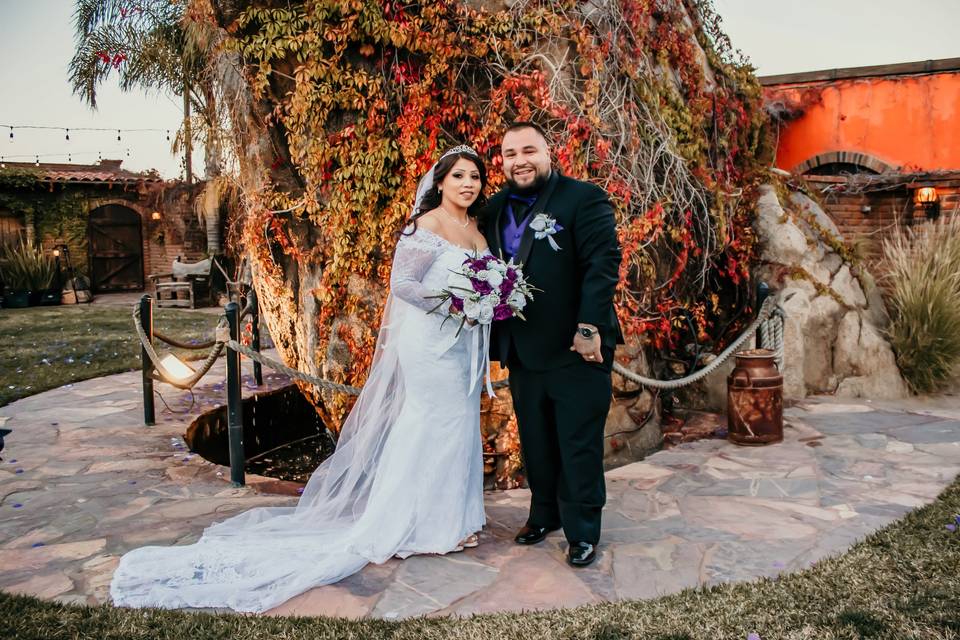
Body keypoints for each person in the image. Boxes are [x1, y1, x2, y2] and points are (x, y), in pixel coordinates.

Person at [110, 146, 491, 613]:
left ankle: (458, 517)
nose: (468, 184)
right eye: (459, 177)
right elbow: (403, 286)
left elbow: (483, 279)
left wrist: (487, 302)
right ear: (441, 183)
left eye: (474, 176)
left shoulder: (475, 228)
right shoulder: (424, 227)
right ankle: (423, 523)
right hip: (429, 344)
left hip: (461, 344)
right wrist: (455, 303)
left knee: (459, 424)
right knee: (432, 422)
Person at [485, 122, 622, 568]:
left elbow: (603, 264)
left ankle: (583, 532)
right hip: (521, 350)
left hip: (575, 347)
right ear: (501, 161)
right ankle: (544, 514)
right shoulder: (493, 208)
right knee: (537, 440)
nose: (519, 160)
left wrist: (588, 328)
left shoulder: (583, 198)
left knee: (578, 442)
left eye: (529, 150)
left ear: (549, 153)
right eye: (510, 153)